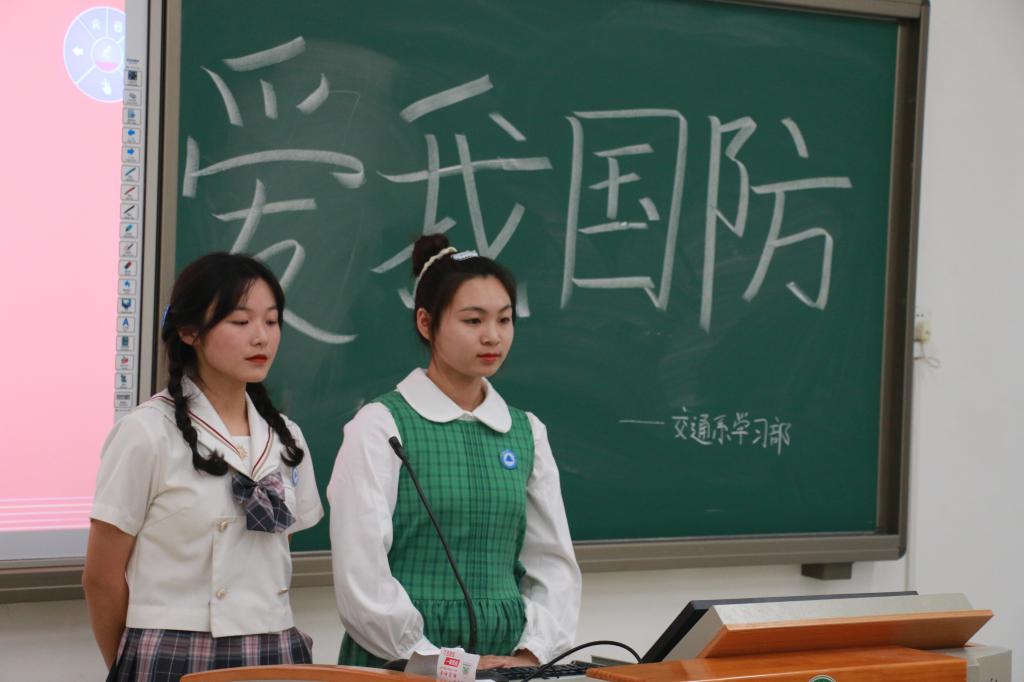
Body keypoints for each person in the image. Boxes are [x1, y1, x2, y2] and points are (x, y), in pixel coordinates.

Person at [328, 235, 581, 669]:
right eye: (473, 320)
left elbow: (553, 563)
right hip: (403, 662)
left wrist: (531, 654)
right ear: (426, 323)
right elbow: (361, 575)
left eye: (504, 319)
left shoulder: (526, 432)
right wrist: (442, 662)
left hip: (505, 663)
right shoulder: (381, 425)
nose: (492, 336)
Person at [83, 252, 324, 681]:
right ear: (190, 331)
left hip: (275, 644)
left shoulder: (287, 437)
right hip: (173, 650)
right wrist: (131, 666)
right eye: (240, 321)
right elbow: (101, 577)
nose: (261, 337)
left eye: (271, 321)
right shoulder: (146, 433)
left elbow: (276, 554)